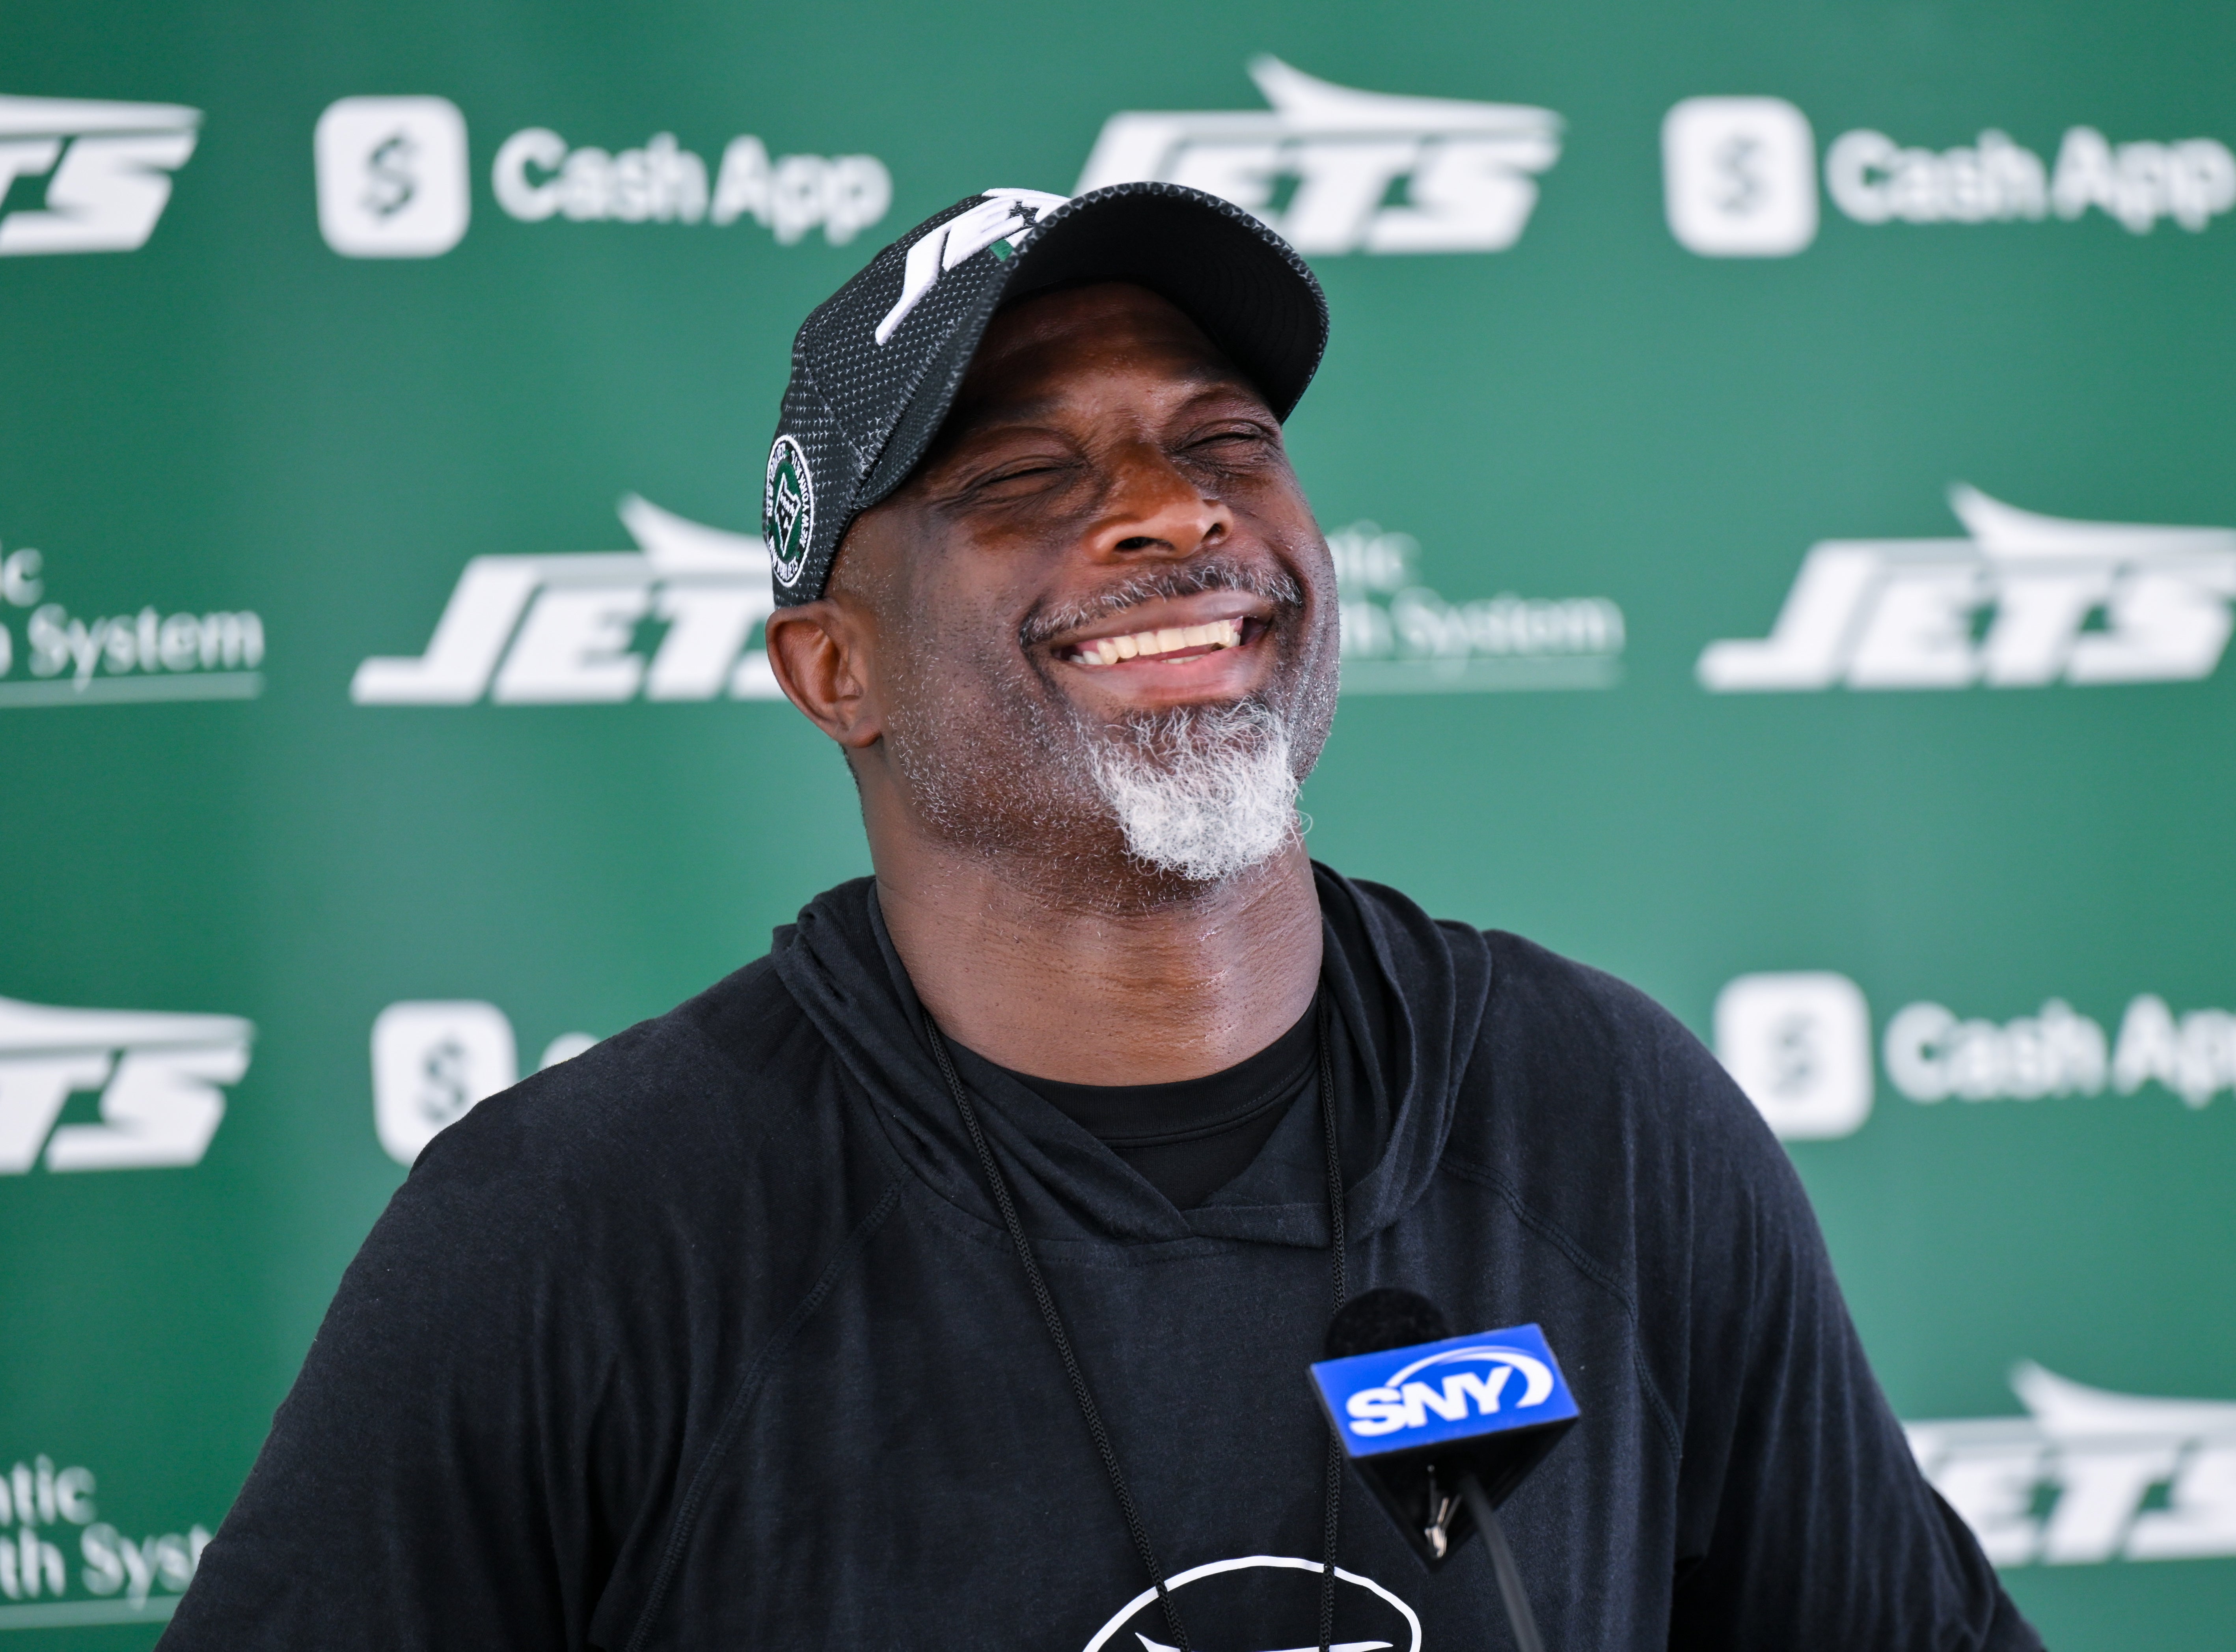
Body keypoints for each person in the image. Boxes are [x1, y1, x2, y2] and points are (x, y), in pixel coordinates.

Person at [162, 182, 2039, 1651]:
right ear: (834, 670)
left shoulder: (1600, 1116)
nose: (1166, 514)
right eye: (1024, 478)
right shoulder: (574, 1232)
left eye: (1220, 444)